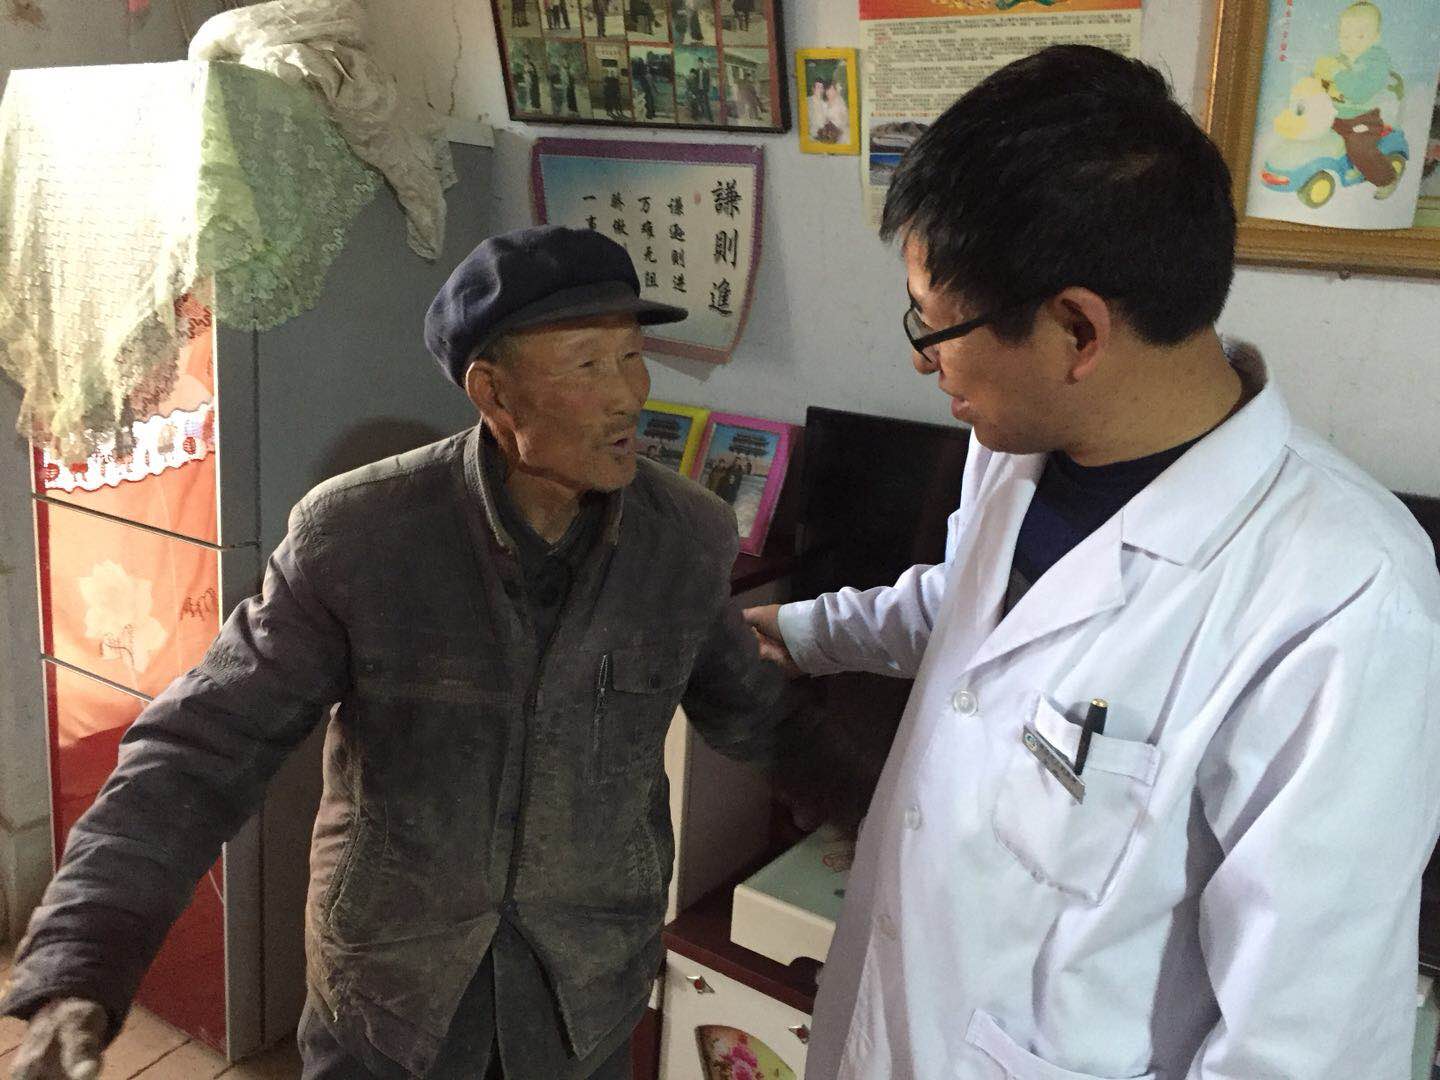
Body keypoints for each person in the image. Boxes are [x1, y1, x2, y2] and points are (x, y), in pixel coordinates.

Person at [745, 44, 1440, 1079]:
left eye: (936, 325)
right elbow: (974, 615)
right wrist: (801, 633)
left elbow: (1306, 1045)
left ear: (1077, 330)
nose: (923, 358)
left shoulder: (1342, 597)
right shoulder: (1016, 447)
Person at [3, 225, 791, 1080]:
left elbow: (762, 718)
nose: (629, 395)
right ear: (494, 393)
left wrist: (877, 803)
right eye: (589, 364)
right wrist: (80, 964)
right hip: (390, 1000)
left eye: (633, 357)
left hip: (583, 1000)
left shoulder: (684, 540)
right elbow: (201, 749)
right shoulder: (360, 536)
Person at [1314, 0, 1397, 190]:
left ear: (1375, 38)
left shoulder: (1376, 63)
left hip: (1364, 119)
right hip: (1336, 115)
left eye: (1360, 36)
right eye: (1345, 36)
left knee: (1359, 146)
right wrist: (1318, 78)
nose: (1350, 42)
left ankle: (1385, 179)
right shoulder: (1339, 59)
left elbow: (1360, 93)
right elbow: (1324, 83)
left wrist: (1337, 73)